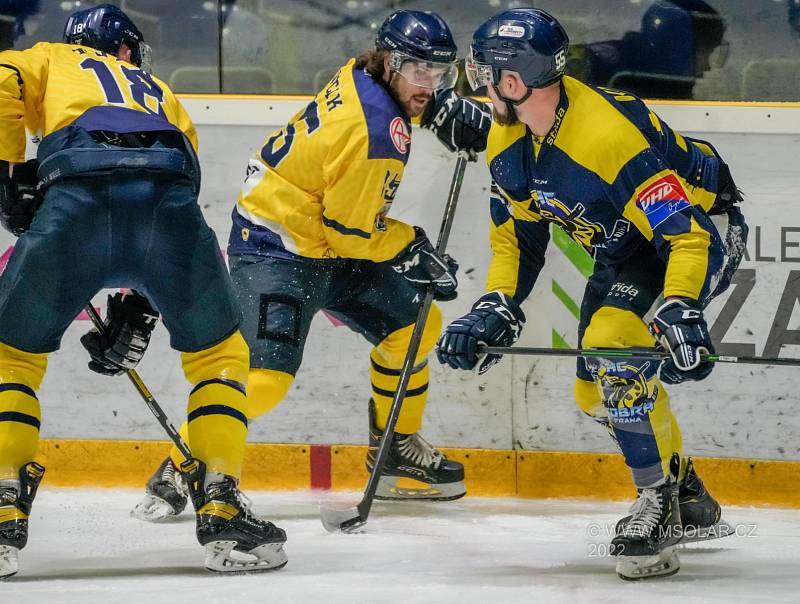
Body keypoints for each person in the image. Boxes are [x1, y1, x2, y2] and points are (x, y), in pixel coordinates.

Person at [121, 9, 490, 521]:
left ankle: (394, 451)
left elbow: (346, 221)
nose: (426, 83)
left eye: (438, 74)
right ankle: (182, 460)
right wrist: (411, 248)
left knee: (416, 326)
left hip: (326, 239)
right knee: (267, 379)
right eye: (417, 71)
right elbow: (353, 230)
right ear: (388, 61)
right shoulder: (377, 137)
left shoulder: (363, 72)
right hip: (277, 244)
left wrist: (439, 106)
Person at [437, 8, 747, 580]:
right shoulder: (511, 136)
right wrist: (496, 304)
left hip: (700, 231)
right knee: (593, 393)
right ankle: (684, 487)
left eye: (484, 75)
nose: (477, 86)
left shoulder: (606, 139)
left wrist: (679, 305)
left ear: (513, 82)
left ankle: (658, 503)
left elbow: (686, 237)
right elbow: (517, 243)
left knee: (613, 349)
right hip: (627, 245)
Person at [0, 4, 286, 577]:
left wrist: (10, 177)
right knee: (221, 358)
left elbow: (4, 78)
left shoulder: (51, 57)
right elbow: (178, 176)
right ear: (127, 50)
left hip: (75, 199)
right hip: (168, 205)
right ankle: (223, 503)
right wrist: (140, 301)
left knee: (12, 358)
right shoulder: (159, 90)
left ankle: (4, 499)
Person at [576, 0, 728, 100]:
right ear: (677, 48)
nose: (707, 67)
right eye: (705, 53)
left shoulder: (666, 82)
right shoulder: (588, 65)